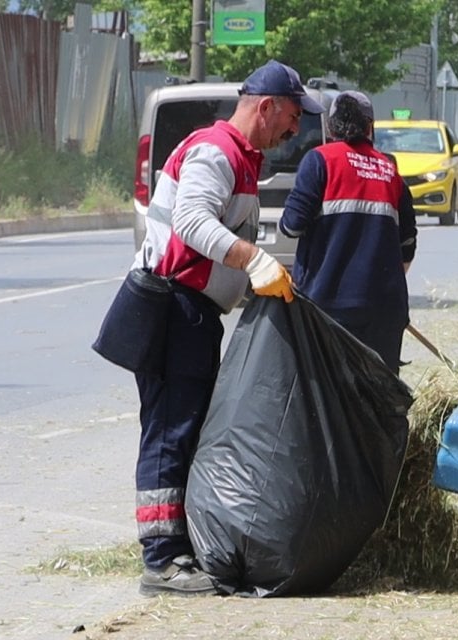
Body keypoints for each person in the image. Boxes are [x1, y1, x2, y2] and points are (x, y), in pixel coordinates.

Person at [130, 59, 322, 596]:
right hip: (172, 305)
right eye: (290, 117)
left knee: (185, 425)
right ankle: (163, 559)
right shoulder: (216, 151)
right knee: (170, 429)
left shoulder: (241, 159)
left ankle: (178, 547)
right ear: (266, 107)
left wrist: (250, 282)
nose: (293, 129)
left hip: (192, 308)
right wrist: (253, 261)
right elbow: (192, 224)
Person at [279, 91, 417, 371]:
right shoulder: (391, 172)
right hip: (385, 314)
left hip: (327, 310)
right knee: (378, 403)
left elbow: (291, 226)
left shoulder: (320, 161)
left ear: (331, 128)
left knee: (328, 405)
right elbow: (408, 246)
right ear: (370, 127)